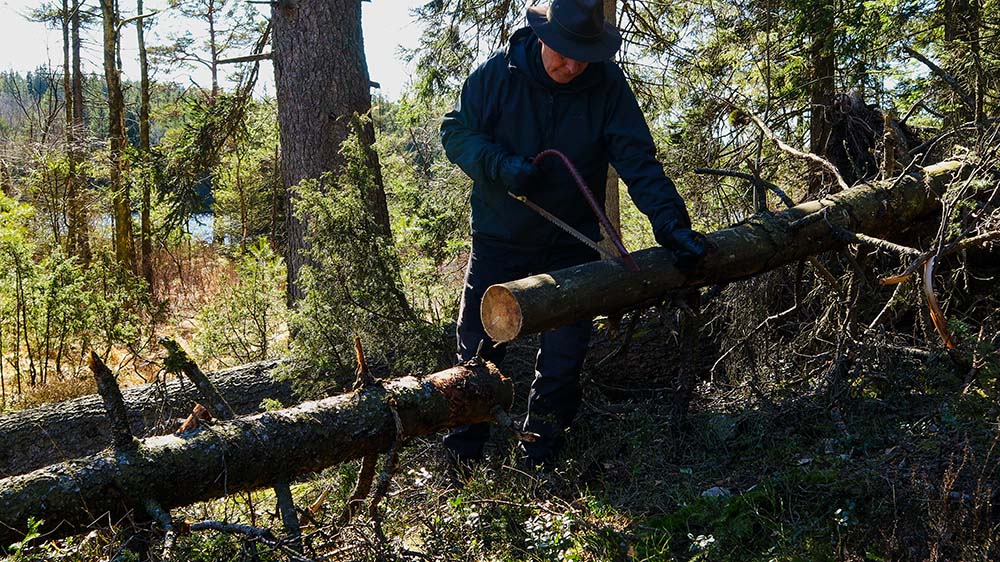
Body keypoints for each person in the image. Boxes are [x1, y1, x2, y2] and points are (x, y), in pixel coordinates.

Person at [440, 0, 707, 467]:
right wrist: (500, 166)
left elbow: (638, 161)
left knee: (563, 360)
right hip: (500, 237)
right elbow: (456, 133)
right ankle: (464, 459)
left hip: (570, 245)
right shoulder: (495, 76)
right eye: (564, 54)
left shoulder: (606, 85)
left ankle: (540, 459)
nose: (573, 66)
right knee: (478, 354)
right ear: (543, 37)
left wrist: (672, 226)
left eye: (583, 56)